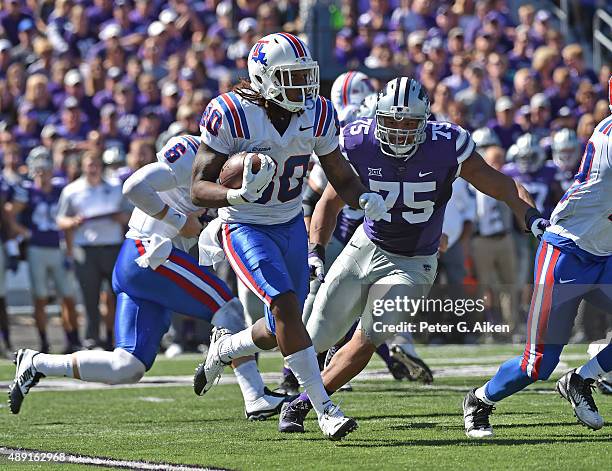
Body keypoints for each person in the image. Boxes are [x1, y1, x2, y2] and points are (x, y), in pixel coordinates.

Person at [276, 77, 544, 434]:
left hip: (414, 264)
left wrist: (530, 215)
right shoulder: (357, 141)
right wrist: (316, 251)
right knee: (317, 335)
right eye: (392, 121)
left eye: (409, 123)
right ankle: (245, 354)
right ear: (377, 117)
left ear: (426, 121)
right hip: (366, 245)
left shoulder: (447, 145)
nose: (400, 131)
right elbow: (329, 202)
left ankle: (301, 406)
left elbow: (502, 184)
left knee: (367, 337)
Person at [191, 32, 386, 440]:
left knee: (285, 325)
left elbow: (339, 172)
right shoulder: (230, 112)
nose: (302, 87)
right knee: (283, 305)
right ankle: (324, 409)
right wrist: (235, 193)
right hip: (243, 222)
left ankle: (225, 348)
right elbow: (198, 188)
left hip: (289, 222)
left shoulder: (317, 112)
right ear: (263, 78)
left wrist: (365, 199)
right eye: (290, 77)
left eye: (305, 76)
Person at [8, 134, 286, 420]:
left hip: (145, 263)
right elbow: (134, 187)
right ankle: (254, 396)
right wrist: (179, 221)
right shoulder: (191, 153)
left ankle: (38, 363)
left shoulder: (236, 169)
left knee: (127, 367)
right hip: (149, 253)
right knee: (228, 308)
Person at [462, 78, 612, 438]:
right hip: (566, 253)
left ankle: (582, 379)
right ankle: (479, 400)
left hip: (602, 253)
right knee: (538, 365)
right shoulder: (609, 136)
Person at [55, 153, 131, 350]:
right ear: (82, 167)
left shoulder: (115, 186)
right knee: (90, 297)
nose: (93, 168)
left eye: (96, 164)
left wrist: (121, 218)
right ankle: (92, 340)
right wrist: (73, 222)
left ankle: (116, 338)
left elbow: (130, 214)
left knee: (116, 295)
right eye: (89, 165)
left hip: (113, 247)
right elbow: (60, 220)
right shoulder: (72, 190)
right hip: (86, 249)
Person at [10, 148, 80, 354]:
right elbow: (8, 215)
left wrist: (69, 250)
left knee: (68, 296)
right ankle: (43, 343)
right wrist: (24, 232)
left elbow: (69, 218)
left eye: (45, 167)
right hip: (37, 249)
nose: (42, 172)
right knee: (40, 298)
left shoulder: (60, 189)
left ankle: (73, 339)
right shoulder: (27, 190)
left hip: (57, 248)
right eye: (38, 168)